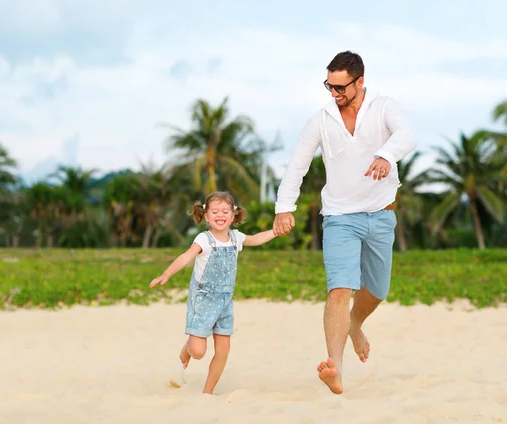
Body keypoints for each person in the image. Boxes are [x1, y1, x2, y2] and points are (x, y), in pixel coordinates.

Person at [272, 51, 417, 394]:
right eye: (329, 86)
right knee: (339, 289)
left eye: (340, 87)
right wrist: (283, 207)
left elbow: (406, 135)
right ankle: (334, 367)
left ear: (359, 81)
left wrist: (386, 155)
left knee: (377, 291)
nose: (333, 93)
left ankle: (355, 323)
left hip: (381, 214)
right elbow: (297, 164)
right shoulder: (321, 119)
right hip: (339, 217)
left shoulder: (383, 107)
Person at [149, 191, 276, 395]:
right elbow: (186, 257)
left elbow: (256, 239)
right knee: (198, 352)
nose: (220, 215)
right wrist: (167, 273)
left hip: (225, 302)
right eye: (215, 211)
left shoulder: (236, 238)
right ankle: (186, 352)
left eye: (225, 211)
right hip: (204, 300)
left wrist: (275, 231)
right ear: (206, 216)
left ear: (233, 215)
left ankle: (207, 393)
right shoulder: (204, 239)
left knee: (223, 350)